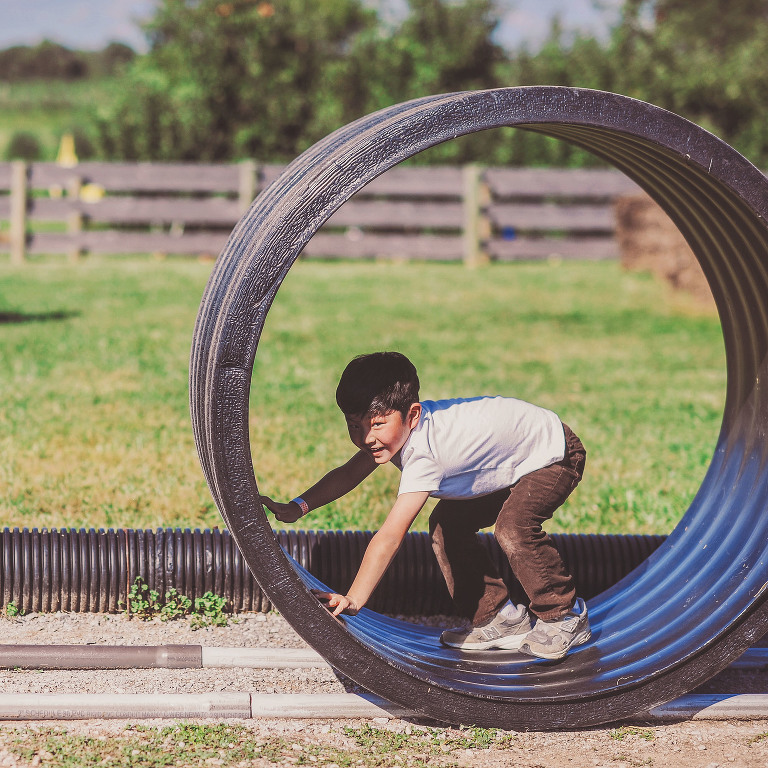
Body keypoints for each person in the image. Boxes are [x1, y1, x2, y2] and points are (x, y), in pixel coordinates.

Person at [261, 351, 590, 660]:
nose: (366, 438)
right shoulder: (398, 432)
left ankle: (564, 615)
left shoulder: (426, 454)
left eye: (377, 425)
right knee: (447, 526)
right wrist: (298, 506)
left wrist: (353, 599)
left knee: (513, 528)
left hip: (553, 454)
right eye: (354, 426)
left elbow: (391, 534)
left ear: (412, 415)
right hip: (508, 460)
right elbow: (348, 474)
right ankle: (500, 620)